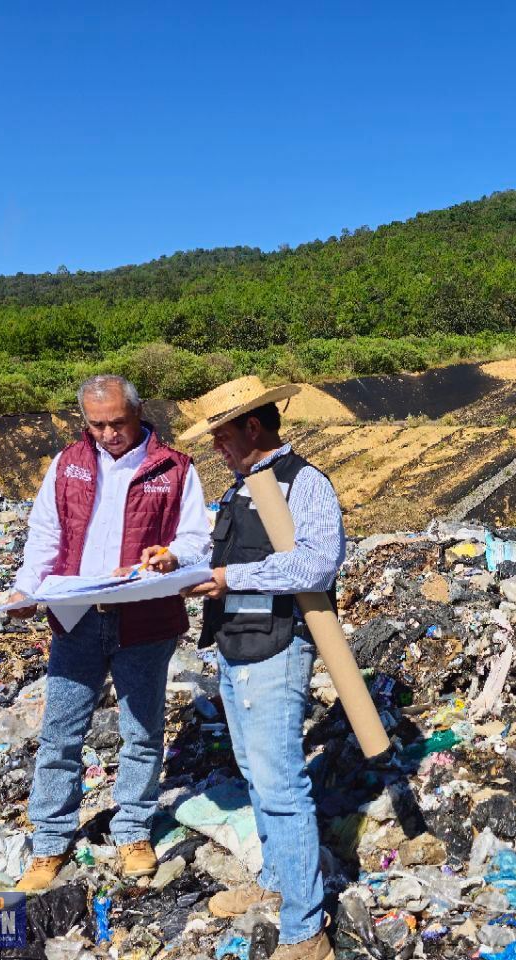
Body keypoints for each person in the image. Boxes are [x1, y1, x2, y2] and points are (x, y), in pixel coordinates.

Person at [1, 374, 210, 892]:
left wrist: (173, 556)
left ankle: (134, 830)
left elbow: (196, 540)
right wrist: (24, 591)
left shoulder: (175, 468)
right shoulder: (67, 464)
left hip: (145, 619)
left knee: (141, 731)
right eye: (98, 425)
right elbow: (45, 534)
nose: (110, 433)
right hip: (77, 617)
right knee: (60, 733)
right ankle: (50, 843)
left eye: (118, 422)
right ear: (84, 422)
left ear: (138, 414)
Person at [178, 375, 344, 960]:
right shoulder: (239, 488)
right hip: (235, 645)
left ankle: (306, 932)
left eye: (221, 437)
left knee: (280, 785)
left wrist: (229, 580)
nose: (216, 450)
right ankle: (278, 879)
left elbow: (315, 567)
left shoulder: (305, 483)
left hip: (276, 645)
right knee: (254, 772)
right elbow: (223, 551)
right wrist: (178, 559)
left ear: (253, 427)